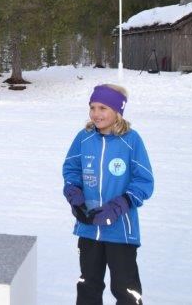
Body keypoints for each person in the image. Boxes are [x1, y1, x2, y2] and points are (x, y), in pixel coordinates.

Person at [62, 84, 154, 304]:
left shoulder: (131, 141)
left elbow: (144, 181)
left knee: (125, 288)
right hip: (88, 228)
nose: (96, 113)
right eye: (92, 107)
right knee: (88, 284)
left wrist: (118, 205)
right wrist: (76, 198)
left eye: (103, 107)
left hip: (121, 231)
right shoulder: (83, 138)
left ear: (118, 111)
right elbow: (71, 170)